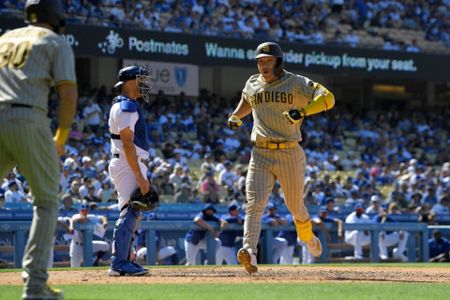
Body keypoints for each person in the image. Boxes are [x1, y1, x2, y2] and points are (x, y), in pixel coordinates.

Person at [227, 41, 335, 274]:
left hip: (289, 151)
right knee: (254, 204)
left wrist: (304, 111)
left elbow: (328, 98)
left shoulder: (295, 82)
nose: (263, 65)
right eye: (260, 61)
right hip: (260, 152)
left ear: (278, 62)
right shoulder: (252, 82)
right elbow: (248, 100)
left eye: (268, 61)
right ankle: (249, 251)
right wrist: (237, 115)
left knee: (295, 206)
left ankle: (308, 238)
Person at [0, 0, 78, 298]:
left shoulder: (5, 38)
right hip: (27, 115)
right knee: (46, 201)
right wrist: (61, 135)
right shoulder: (54, 41)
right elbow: (68, 92)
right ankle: (34, 283)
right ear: (54, 15)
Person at [107, 65, 153, 277]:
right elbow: (127, 143)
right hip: (127, 163)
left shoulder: (127, 105)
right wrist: (139, 176)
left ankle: (127, 257)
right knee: (130, 210)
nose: (144, 83)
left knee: (134, 211)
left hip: (128, 162)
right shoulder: (127, 106)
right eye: (140, 79)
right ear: (129, 82)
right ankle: (119, 262)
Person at [69, 202, 110, 267]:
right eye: (83, 210)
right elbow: (78, 219)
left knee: (106, 246)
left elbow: (103, 217)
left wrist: (105, 222)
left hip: (88, 245)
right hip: (77, 246)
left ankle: (95, 261)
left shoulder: (90, 217)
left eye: (86, 210)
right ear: (79, 211)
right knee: (74, 267)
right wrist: (86, 219)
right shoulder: (76, 216)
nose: (84, 212)